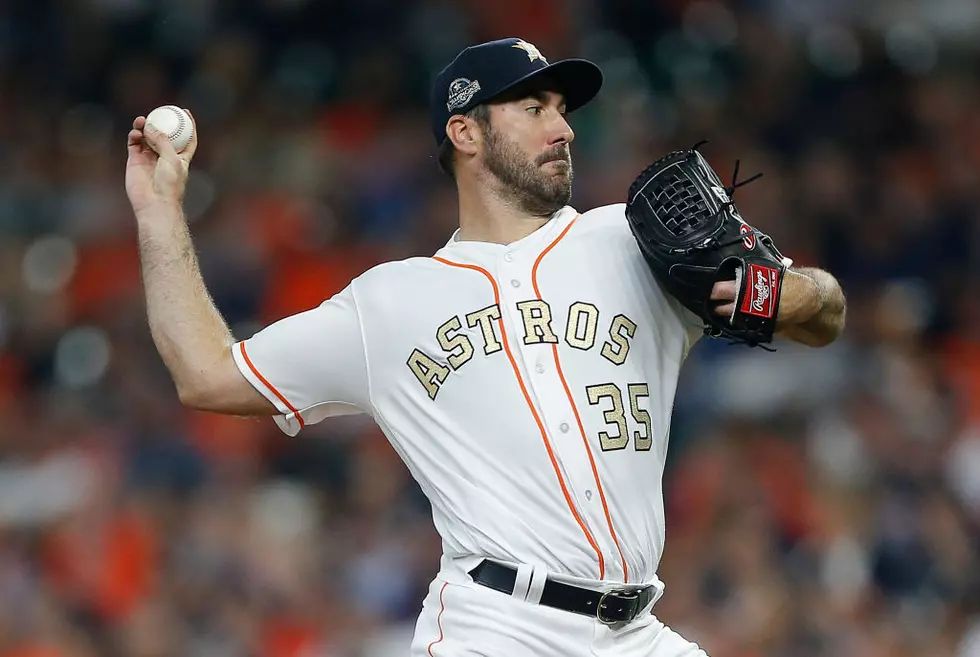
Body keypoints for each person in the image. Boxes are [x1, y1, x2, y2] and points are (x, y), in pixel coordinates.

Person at [125, 37, 845, 657]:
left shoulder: (632, 237)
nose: (562, 128)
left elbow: (827, 312)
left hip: (637, 630)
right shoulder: (389, 303)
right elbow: (207, 374)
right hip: (496, 627)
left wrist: (795, 296)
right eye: (534, 109)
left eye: (563, 110)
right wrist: (157, 209)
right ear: (465, 133)